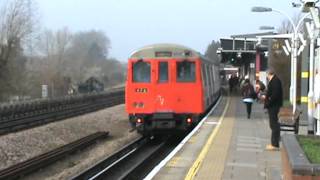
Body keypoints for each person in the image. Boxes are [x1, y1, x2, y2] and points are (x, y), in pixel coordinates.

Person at [262, 69, 283, 150]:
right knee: (273, 124)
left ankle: (274, 144)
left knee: (274, 124)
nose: (267, 76)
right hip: (273, 105)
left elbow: (275, 94)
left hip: (274, 106)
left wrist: (269, 101)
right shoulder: (275, 80)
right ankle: (275, 142)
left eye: (267, 75)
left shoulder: (275, 81)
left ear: (268, 74)